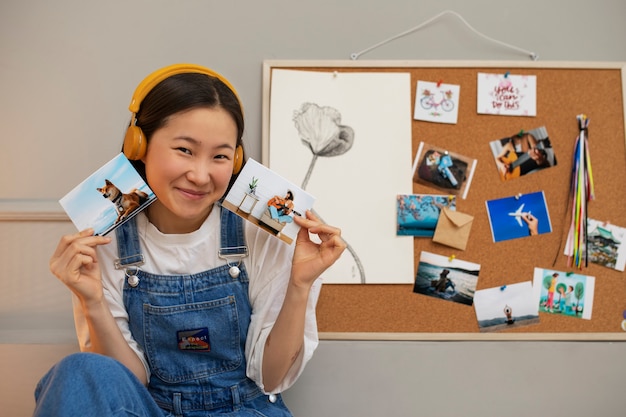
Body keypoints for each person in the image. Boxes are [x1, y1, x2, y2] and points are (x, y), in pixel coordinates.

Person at [34, 63, 346, 417]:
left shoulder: (263, 234)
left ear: (237, 160)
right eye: (184, 149)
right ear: (139, 146)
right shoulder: (103, 242)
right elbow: (125, 384)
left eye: (220, 156)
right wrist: (92, 301)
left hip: (245, 410)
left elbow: (271, 378)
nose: (200, 175)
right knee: (77, 371)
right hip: (150, 408)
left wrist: (300, 285)